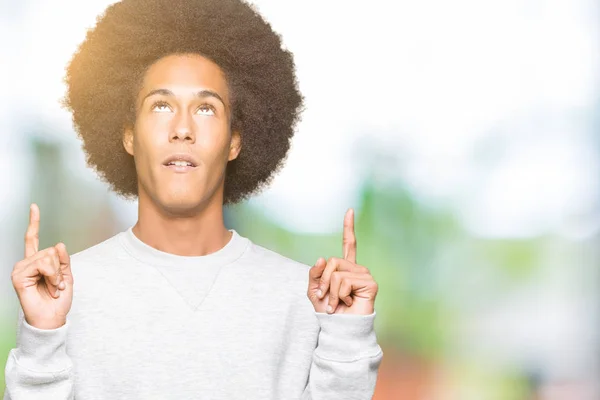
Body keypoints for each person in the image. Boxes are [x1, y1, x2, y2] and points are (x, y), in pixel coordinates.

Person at [4, 0, 382, 398]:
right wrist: (42, 338)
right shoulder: (64, 294)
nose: (182, 128)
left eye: (205, 108)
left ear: (235, 140)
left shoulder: (302, 296)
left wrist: (347, 339)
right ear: (129, 135)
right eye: (161, 105)